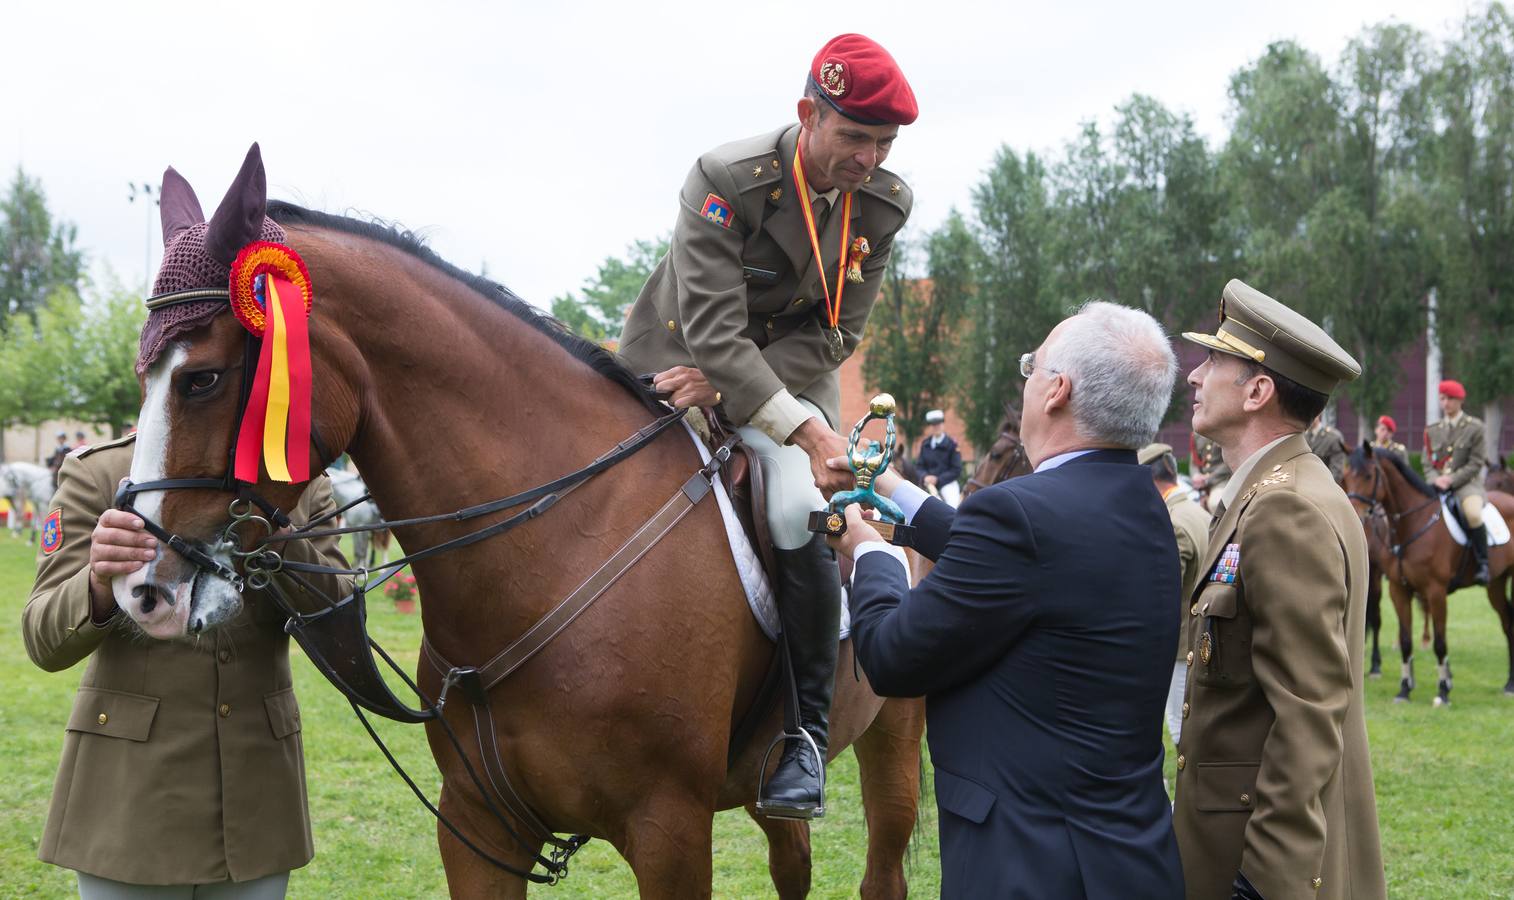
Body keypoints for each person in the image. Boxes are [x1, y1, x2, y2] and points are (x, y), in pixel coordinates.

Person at [617, 32, 916, 819]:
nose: (869, 159)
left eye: (884, 143)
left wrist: (775, 415)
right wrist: (755, 399)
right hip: (670, 366)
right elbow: (712, 329)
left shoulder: (885, 204)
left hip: (776, 375)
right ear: (807, 114)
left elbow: (838, 333)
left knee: (795, 504)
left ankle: (806, 738)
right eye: (855, 137)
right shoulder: (727, 179)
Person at [833, 302, 1185, 898]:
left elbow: (892, 657)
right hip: (1125, 860)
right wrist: (886, 485)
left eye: (1031, 367)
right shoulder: (1141, 502)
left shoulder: (1019, 518)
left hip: (1027, 865)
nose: (1025, 381)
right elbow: (1025, 559)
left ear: (1057, 391)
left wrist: (871, 552)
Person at [23, 433, 351, 897]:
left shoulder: (297, 480)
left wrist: (279, 539)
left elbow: (341, 626)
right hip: (129, 800)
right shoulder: (99, 470)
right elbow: (42, 638)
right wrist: (97, 581)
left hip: (258, 799)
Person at [1176, 279, 1385, 900]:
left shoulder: (1284, 508)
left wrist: (1267, 883)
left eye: (1214, 359)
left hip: (1258, 859)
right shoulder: (1274, 490)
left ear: (1258, 390)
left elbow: (1308, 713)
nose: (1195, 376)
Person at [1140, 442, 1210, 745]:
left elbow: (1164, 591)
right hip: (1203, 636)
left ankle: (1188, 795)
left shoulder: (1172, 522)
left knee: (1180, 728)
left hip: (1182, 643)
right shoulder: (1198, 512)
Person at [1425, 379, 1489, 585]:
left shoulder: (1475, 427)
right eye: (1443, 398)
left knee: (1472, 513)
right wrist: (1436, 479)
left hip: (1467, 485)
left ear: (1460, 400)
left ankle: (1483, 563)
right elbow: (1427, 462)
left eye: (1450, 399)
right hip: (1437, 485)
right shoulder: (1432, 429)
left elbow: (1476, 463)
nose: (1446, 403)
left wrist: (1450, 479)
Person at [915, 408, 962, 507]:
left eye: (938, 424)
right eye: (933, 425)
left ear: (943, 425)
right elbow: (919, 467)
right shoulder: (925, 444)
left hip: (947, 484)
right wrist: (925, 477)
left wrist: (938, 479)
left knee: (952, 506)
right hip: (928, 484)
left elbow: (956, 469)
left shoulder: (952, 444)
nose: (936, 427)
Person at [1190, 432, 1230, 512]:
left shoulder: (1225, 430)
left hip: (1221, 480)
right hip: (1201, 484)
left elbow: (1229, 462)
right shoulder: (1197, 434)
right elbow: (1194, 462)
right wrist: (1195, 475)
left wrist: (1208, 479)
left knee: (1215, 503)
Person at [1305, 414, 1348, 483]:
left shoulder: (1333, 438)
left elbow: (1336, 473)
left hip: (1323, 488)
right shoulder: (1301, 437)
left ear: (1318, 412)